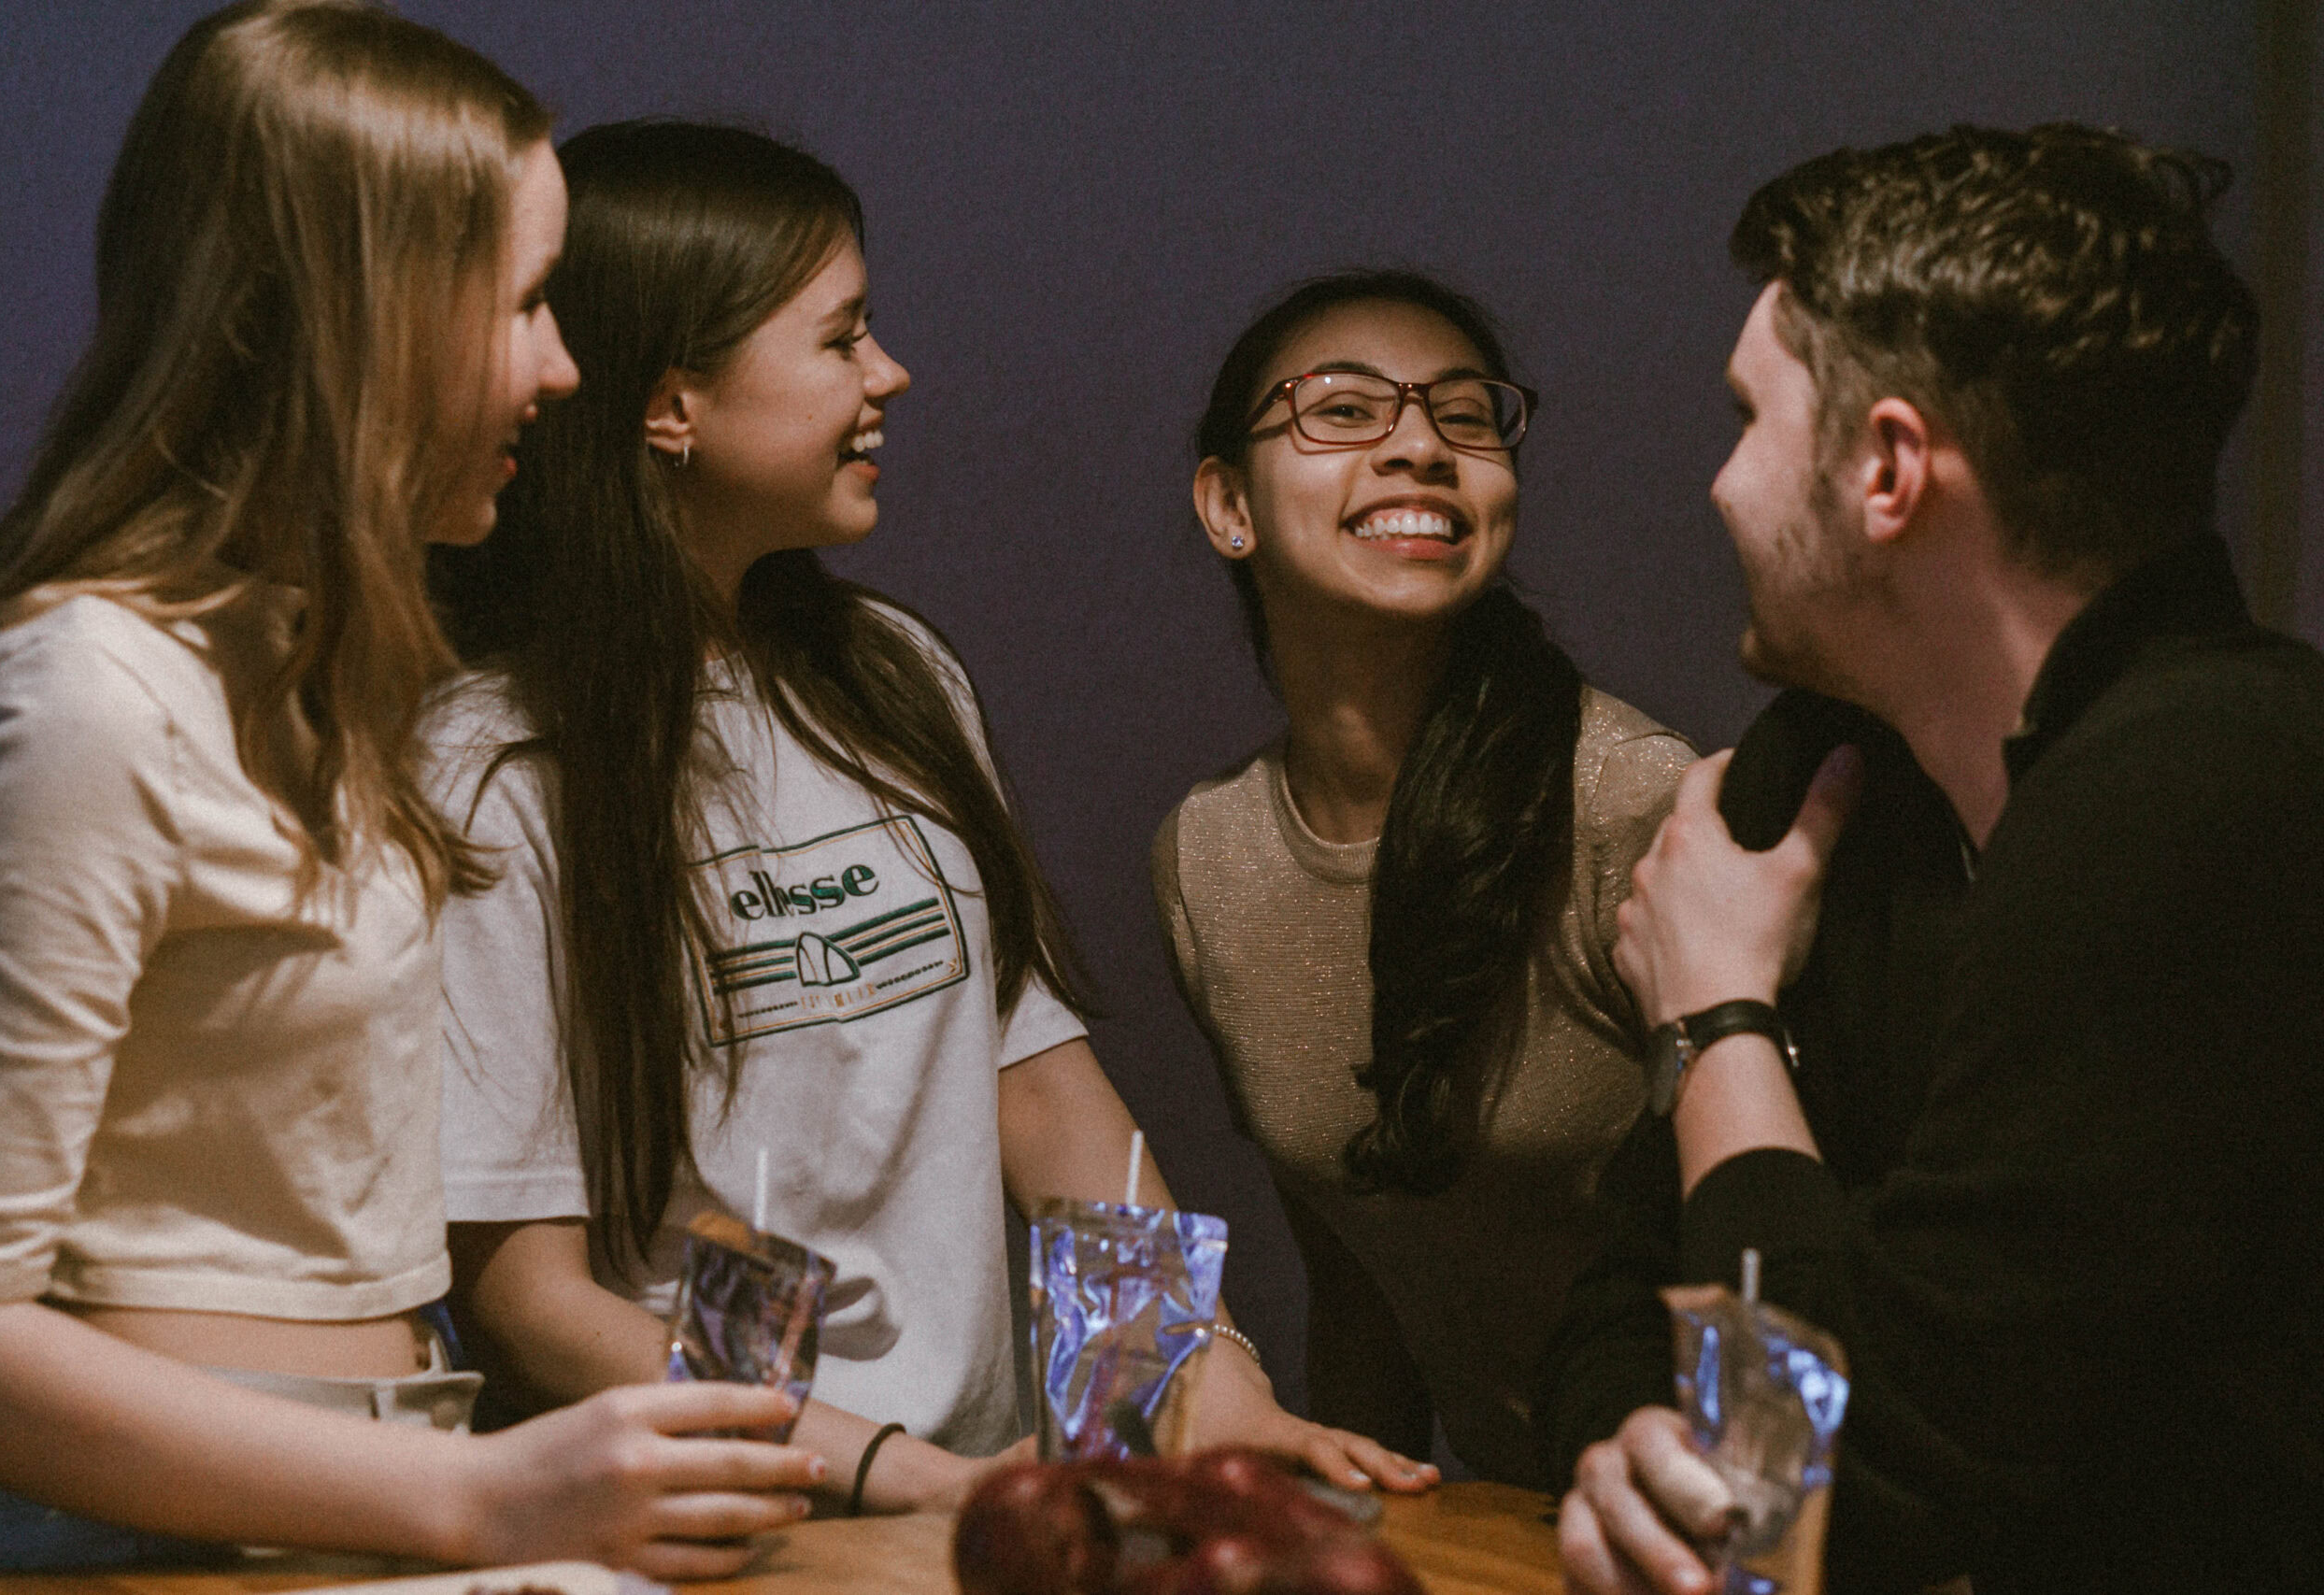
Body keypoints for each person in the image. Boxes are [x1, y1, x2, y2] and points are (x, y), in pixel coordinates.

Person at [0, 4, 829, 1576]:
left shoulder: (310, 680)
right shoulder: (82, 695)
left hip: (349, 1516)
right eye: (529, 304)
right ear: (360, 311)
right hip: (130, 1548)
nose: (562, 371)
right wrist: (484, 1499)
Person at [421, 121, 1427, 1517]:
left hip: (977, 1497)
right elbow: (526, 1295)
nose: (890, 374)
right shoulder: (494, 765)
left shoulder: (894, 675)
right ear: (672, 406)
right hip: (724, 1523)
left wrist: (1197, 1385)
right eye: (839, 340)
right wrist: (893, 1478)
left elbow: (1040, 1092)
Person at [1554, 124, 2323, 1595]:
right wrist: (1639, 1462)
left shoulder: (2216, 789)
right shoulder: (1827, 788)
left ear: (1888, 467)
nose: (1718, 485)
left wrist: (1717, 1016)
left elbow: (1859, 1488)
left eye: (1749, 417)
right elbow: (1620, 1307)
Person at [1152, 271, 1694, 1486]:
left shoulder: (1631, 804)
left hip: (1720, 1521)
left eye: (1465, 415)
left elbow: (1785, 1258)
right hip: (1512, 1533)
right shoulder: (1209, 858)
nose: (1420, 447)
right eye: (1344, 411)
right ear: (1227, 503)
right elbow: (1364, 1273)